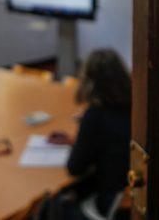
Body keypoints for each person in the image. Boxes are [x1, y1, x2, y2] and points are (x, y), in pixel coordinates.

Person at [48, 48, 131, 219]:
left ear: (89, 82)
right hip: (127, 195)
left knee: (51, 206)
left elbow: (75, 168)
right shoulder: (133, 106)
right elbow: (112, 141)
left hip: (108, 203)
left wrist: (81, 140)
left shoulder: (95, 114)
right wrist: (75, 141)